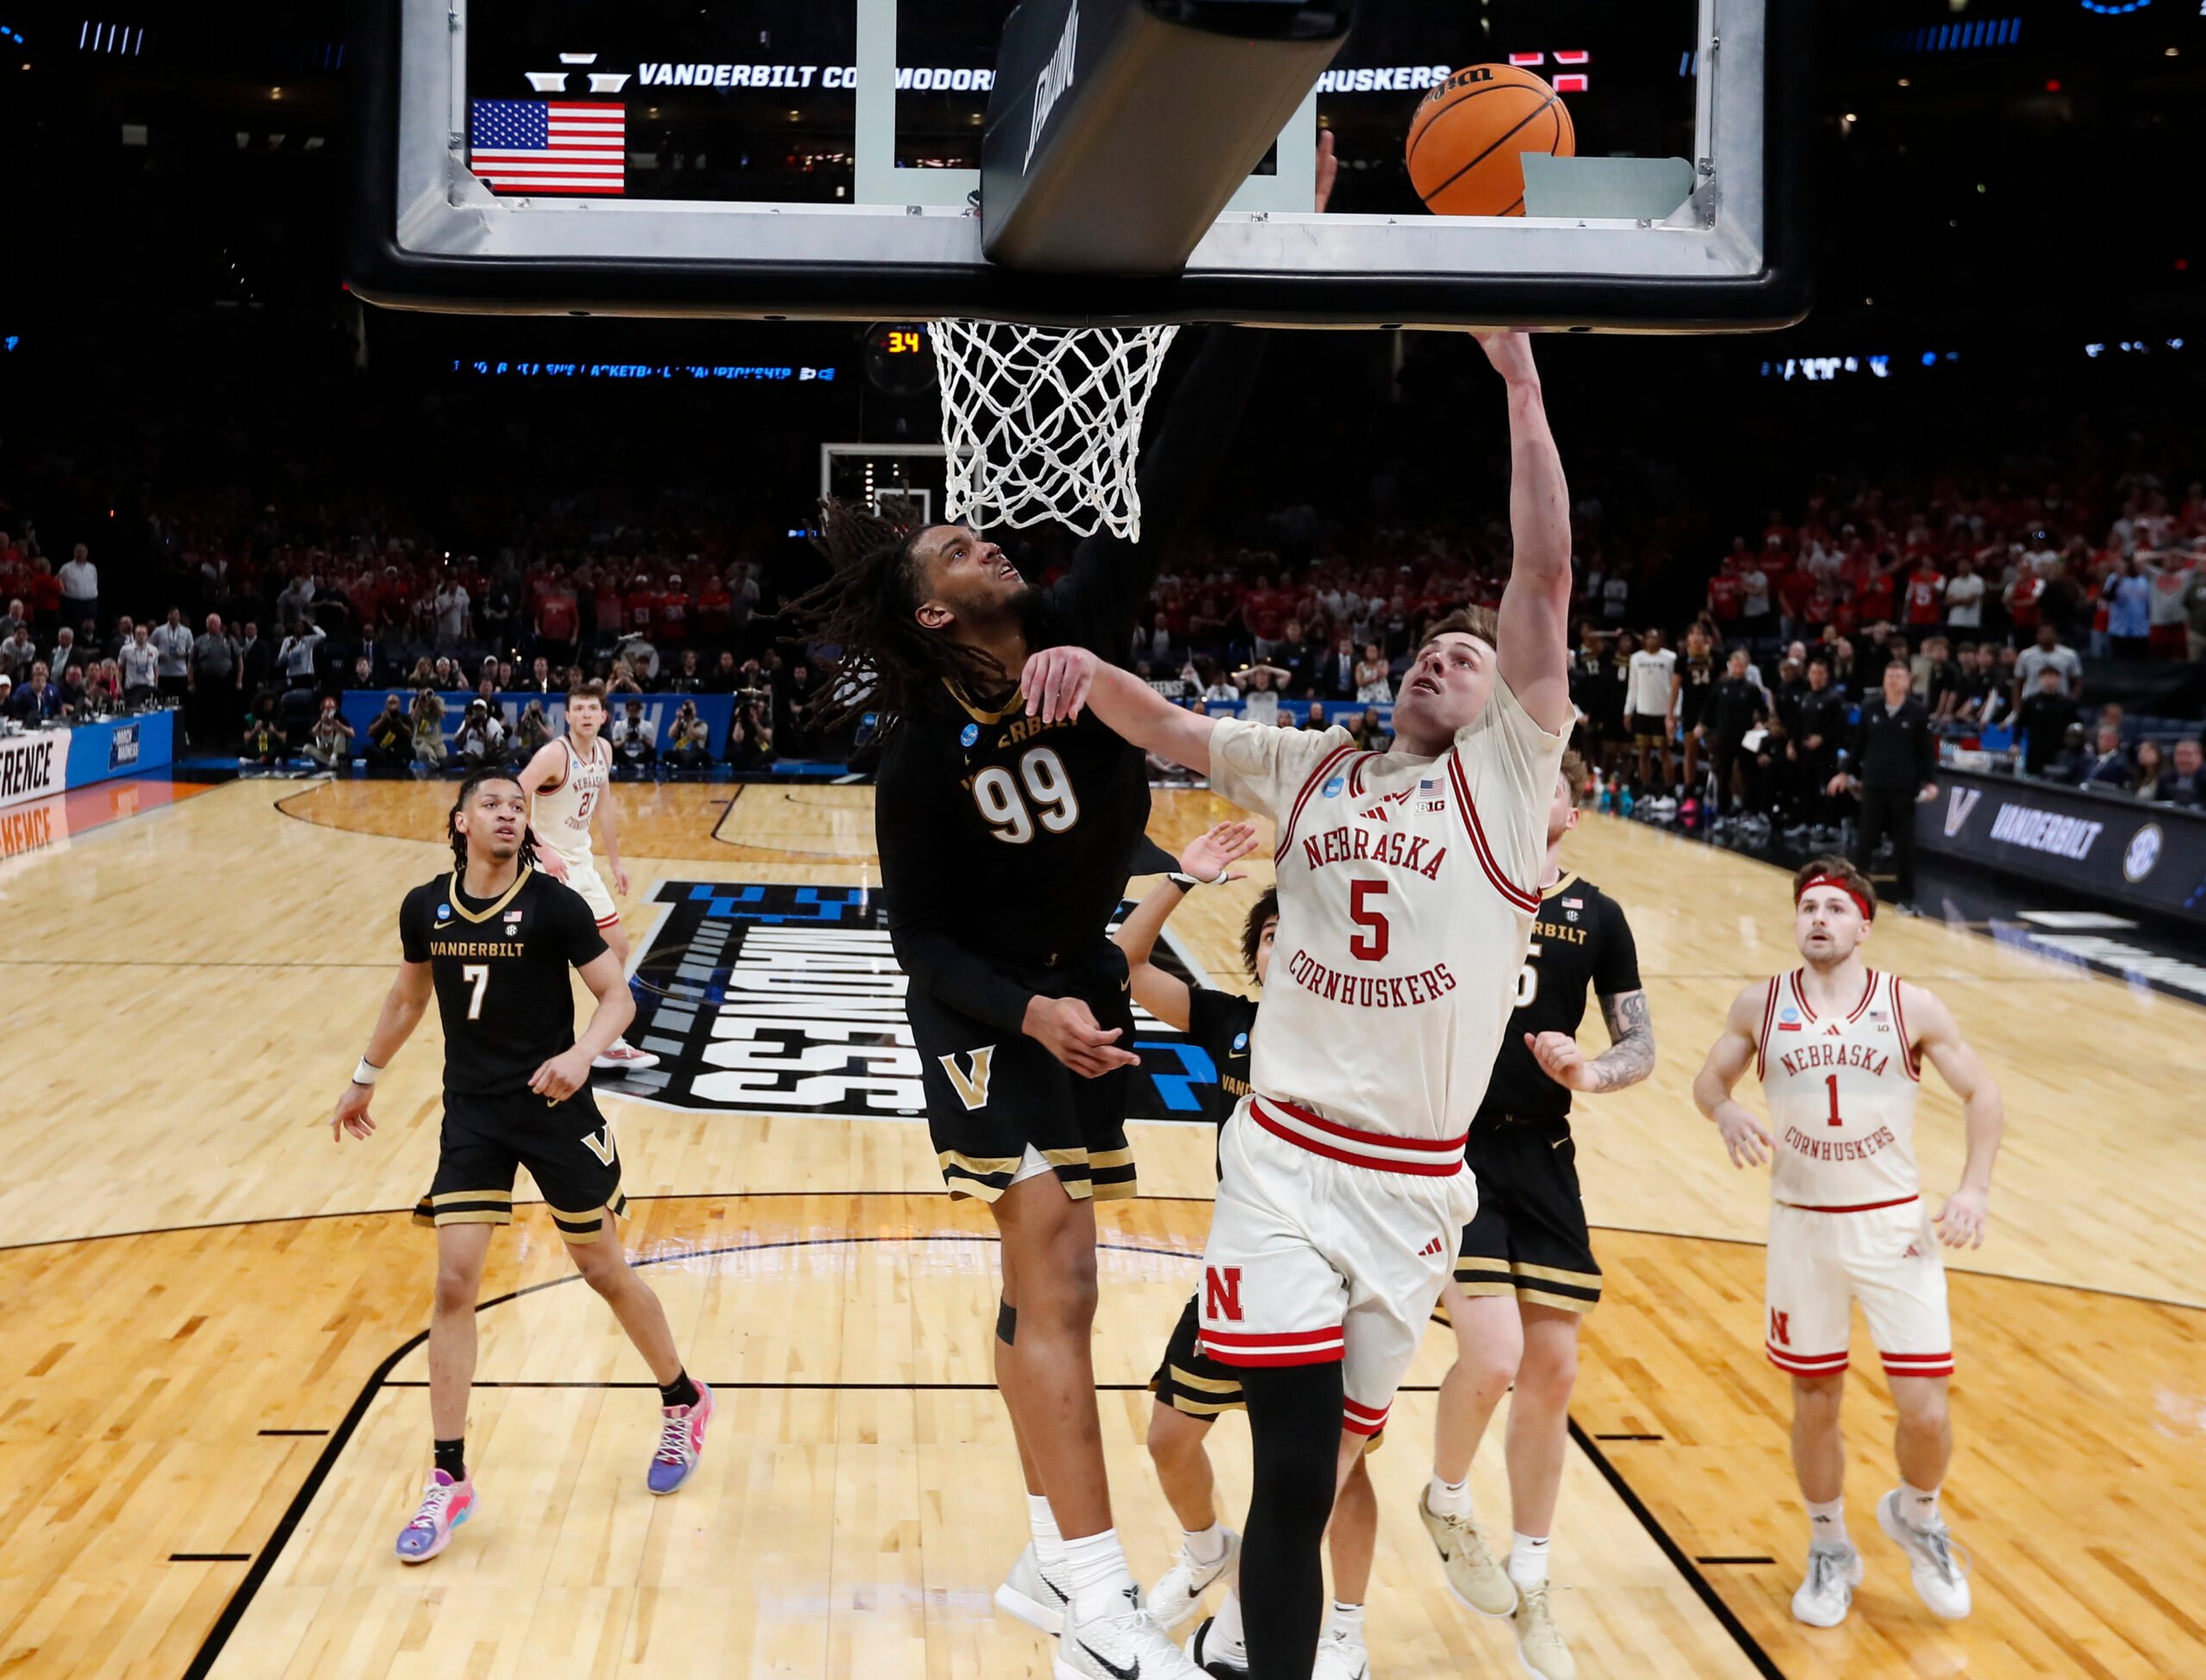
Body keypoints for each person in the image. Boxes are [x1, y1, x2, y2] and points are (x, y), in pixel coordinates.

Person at [1019, 328, 1573, 1680]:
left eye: (1466, 650)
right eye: (1429, 648)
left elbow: (1543, 576)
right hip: (1283, 1156)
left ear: (1507, 700)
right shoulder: (1314, 764)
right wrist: (1081, 668)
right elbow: (1173, 731)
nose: (1444, 655)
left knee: (1325, 1466)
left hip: (1414, 1185)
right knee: (1285, 1454)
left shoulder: (1505, 781)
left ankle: (1280, 1636)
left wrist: (1520, 386)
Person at [781, 320, 1274, 1680]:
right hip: (990, 1010)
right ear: (935, 612)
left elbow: (1176, 463)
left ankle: (1055, 1557)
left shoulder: (1078, 625)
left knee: (1062, 1283)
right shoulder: (912, 758)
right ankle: (1101, 1602)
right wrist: (1029, 1013)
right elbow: (920, 942)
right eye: (956, 549)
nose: (987, 541)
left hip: (1074, 983)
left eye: (979, 537)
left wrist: (1254, 284)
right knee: (1052, 1270)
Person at [327, 771, 712, 1565]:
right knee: (453, 1284)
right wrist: (364, 1077)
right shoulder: (424, 905)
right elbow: (408, 998)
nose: (508, 814)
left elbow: (618, 999)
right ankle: (448, 1476)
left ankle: (683, 1397)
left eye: (518, 806)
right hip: (472, 1114)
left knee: (603, 1268)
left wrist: (579, 1056)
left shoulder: (555, 906)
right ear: (460, 821)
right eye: (493, 804)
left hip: (554, 1109)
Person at [1692, 858, 2003, 1630]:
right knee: (1815, 1399)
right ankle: (1829, 1545)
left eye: (1835, 909)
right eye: (1808, 909)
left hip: (1895, 1227)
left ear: (1865, 924)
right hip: (1801, 1227)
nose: (1819, 920)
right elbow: (1707, 1083)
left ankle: (1919, 1514)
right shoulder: (1760, 1004)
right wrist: (1725, 1113)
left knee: (1926, 1410)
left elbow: (1983, 1094)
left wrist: (1973, 1189)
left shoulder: (1911, 1005)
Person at [1112, 826, 1384, 1680]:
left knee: (1334, 1467)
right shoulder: (1230, 1021)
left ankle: (1342, 1624)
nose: (1282, 945)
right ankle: (1204, 1553)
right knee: (1167, 1439)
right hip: (1239, 1269)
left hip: (1334, 1273)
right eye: (1268, 935)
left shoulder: (1366, 1039)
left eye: (1297, 934)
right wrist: (1178, 881)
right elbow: (1120, 967)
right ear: (1256, 959)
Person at [1422, 751, 1653, 1680]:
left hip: (1543, 1155)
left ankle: (1533, 1580)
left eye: (1552, 783)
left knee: (1553, 1369)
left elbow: (1637, 1039)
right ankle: (1444, 1499)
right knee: (1494, 1354)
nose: (1535, 793)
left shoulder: (1597, 914)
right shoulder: (1454, 884)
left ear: (1573, 811)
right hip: (1456, 1146)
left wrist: (1590, 1071)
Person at [516, 680, 661, 1073]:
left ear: (603, 716)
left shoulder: (604, 751)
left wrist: (615, 862)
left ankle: (609, 1042)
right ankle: (531, 1041)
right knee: (543, 958)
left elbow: (605, 807)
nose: (584, 715)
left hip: (582, 863)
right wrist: (541, 849)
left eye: (590, 709)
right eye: (577, 709)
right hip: (548, 868)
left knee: (617, 947)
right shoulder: (553, 755)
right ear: (567, 716)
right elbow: (514, 798)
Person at [1828, 661, 1937, 908]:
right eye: (1889, 675)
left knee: (1904, 846)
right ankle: (1857, 897)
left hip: (1903, 788)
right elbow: (1858, 746)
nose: (1893, 680)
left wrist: (1930, 782)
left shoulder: (1917, 712)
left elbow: (1926, 752)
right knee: (1864, 842)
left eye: (1899, 676)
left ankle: (1906, 899)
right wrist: (1844, 773)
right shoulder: (1870, 708)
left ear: (1908, 682)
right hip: (1874, 785)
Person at [1625, 627, 1677, 793]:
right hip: (1642, 711)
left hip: (1663, 712)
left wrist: (1675, 713)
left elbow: (1677, 688)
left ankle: (1670, 788)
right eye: (1648, 637)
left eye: (1655, 637)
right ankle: (1645, 787)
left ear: (1661, 640)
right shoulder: (1635, 658)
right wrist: (1628, 711)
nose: (1651, 640)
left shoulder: (1670, 658)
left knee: (1664, 752)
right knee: (1643, 752)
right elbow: (1633, 686)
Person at [305, 697, 357, 770]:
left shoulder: (340, 718)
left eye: (332, 708)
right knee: (306, 748)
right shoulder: (317, 719)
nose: (330, 710)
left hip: (337, 749)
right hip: (323, 749)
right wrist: (321, 721)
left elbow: (352, 734)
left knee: (340, 735)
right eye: (327, 708)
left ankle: (334, 758)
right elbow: (313, 734)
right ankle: (330, 762)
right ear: (323, 709)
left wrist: (338, 724)